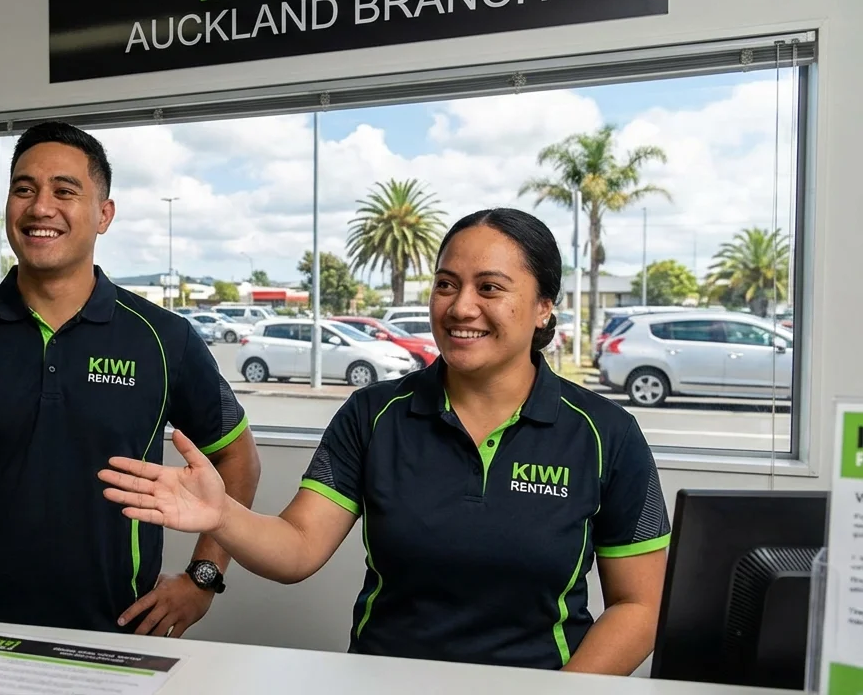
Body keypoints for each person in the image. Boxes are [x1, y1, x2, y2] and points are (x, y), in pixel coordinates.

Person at [100, 208, 671, 673]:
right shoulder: (375, 414)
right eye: (446, 285)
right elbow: (298, 547)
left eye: (489, 287)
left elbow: (640, 606)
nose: (460, 306)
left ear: (545, 307)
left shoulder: (604, 434)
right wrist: (221, 513)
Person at [0, 121, 261, 637]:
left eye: (65, 190)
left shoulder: (164, 339)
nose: (40, 207)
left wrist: (202, 578)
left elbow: (238, 459)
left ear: (104, 215)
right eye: (24, 189)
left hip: (121, 635)